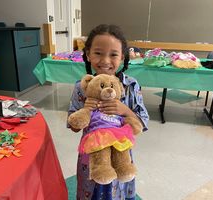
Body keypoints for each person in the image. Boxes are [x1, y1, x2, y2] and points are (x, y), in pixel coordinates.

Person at [68, 24, 149, 200]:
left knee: (118, 189)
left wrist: (125, 110)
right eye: (98, 53)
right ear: (88, 54)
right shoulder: (81, 87)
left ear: (122, 57)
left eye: (113, 54)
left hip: (120, 154)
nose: (105, 61)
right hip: (92, 156)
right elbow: (72, 124)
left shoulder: (131, 85)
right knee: (91, 191)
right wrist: (86, 111)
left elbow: (143, 122)